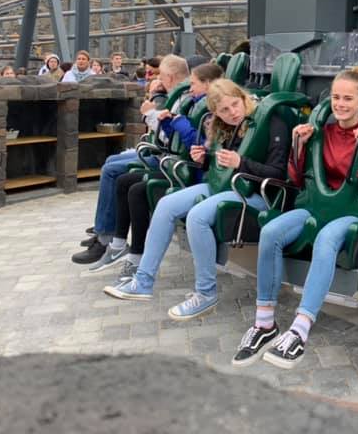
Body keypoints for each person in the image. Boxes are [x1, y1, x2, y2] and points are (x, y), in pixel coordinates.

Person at [232, 66, 358, 369]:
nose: (340, 104)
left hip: (353, 213)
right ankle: (265, 323)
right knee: (271, 232)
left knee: (326, 238)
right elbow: (297, 179)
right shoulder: (323, 132)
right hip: (316, 206)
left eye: (348, 98)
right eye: (336, 97)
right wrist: (299, 145)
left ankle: (301, 328)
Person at [103, 78, 290, 318]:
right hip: (224, 186)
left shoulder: (271, 122)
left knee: (197, 216)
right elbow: (220, 165)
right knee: (166, 204)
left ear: (243, 98)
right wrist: (203, 158)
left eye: (235, 104)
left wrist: (240, 162)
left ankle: (205, 293)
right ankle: (143, 281)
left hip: (256, 195)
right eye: (224, 110)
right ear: (216, 113)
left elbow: (278, 173)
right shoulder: (223, 127)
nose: (233, 112)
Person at [84, 62, 223, 275]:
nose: (190, 87)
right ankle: (118, 245)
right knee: (124, 181)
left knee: (136, 189)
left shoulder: (206, 109)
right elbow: (180, 138)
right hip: (177, 162)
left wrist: (172, 121)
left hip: (185, 169)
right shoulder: (193, 103)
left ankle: (134, 257)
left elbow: (195, 142)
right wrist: (168, 121)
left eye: (194, 84)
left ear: (208, 84)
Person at [70, 55, 198, 265]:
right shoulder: (175, 95)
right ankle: (104, 229)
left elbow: (169, 138)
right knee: (111, 161)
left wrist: (149, 115)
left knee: (112, 171)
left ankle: (105, 237)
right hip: (161, 152)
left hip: (165, 157)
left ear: (169, 76)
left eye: (160, 76)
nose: (157, 79)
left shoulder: (182, 98)